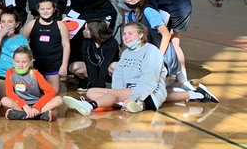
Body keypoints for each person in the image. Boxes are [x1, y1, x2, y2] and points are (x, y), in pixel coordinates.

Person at [63, 22, 214, 115]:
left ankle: (89, 105)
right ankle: (196, 94)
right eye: (124, 34)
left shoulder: (151, 51)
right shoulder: (127, 53)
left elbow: (149, 80)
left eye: (130, 33)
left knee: (113, 95)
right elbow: (119, 75)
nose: (125, 37)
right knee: (91, 92)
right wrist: (119, 92)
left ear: (141, 35)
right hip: (131, 91)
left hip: (147, 91)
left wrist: (134, 96)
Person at [20, 0, 70, 92]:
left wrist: (64, 65)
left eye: (48, 8)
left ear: (54, 9)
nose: (45, 11)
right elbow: (22, 43)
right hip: (35, 65)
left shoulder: (61, 25)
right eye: (42, 9)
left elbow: (66, 46)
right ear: (38, 10)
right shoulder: (32, 24)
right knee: (33, 92)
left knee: (53, 92)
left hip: (53, 65)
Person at [2, 45, 62, 121]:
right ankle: (38, 115)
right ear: (13, 61)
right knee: (4, 100)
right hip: (20, 105)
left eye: (24, 62)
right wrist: (24, 105)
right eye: (17, 61)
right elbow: (9, 92)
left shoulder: (35, 73)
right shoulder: (9, 72)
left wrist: (37, 107)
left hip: (37, 104)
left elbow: (51, 91)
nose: (20, 65)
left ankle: (24, 114)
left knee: (59, 99)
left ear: (30, 62)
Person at [68, 20, 119, 90]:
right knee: (74, 67)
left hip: (107, 70)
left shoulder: (112, 42)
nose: (84, 31)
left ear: (94, 30)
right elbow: (89, 62)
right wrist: (93, 83)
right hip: (92, 70)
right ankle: (86, 81)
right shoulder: (86, 41)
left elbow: (106, 64)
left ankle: (114, 85)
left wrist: (100, 84)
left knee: (114, 66)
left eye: (87, 30)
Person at [0, 9, 29, 87]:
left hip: (17, 75)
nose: (6, 25)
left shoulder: (22, 39)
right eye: (3, 22)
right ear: (0, 24)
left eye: (10, 22)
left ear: (16, 24)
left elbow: (28, 60)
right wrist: (0, 35)